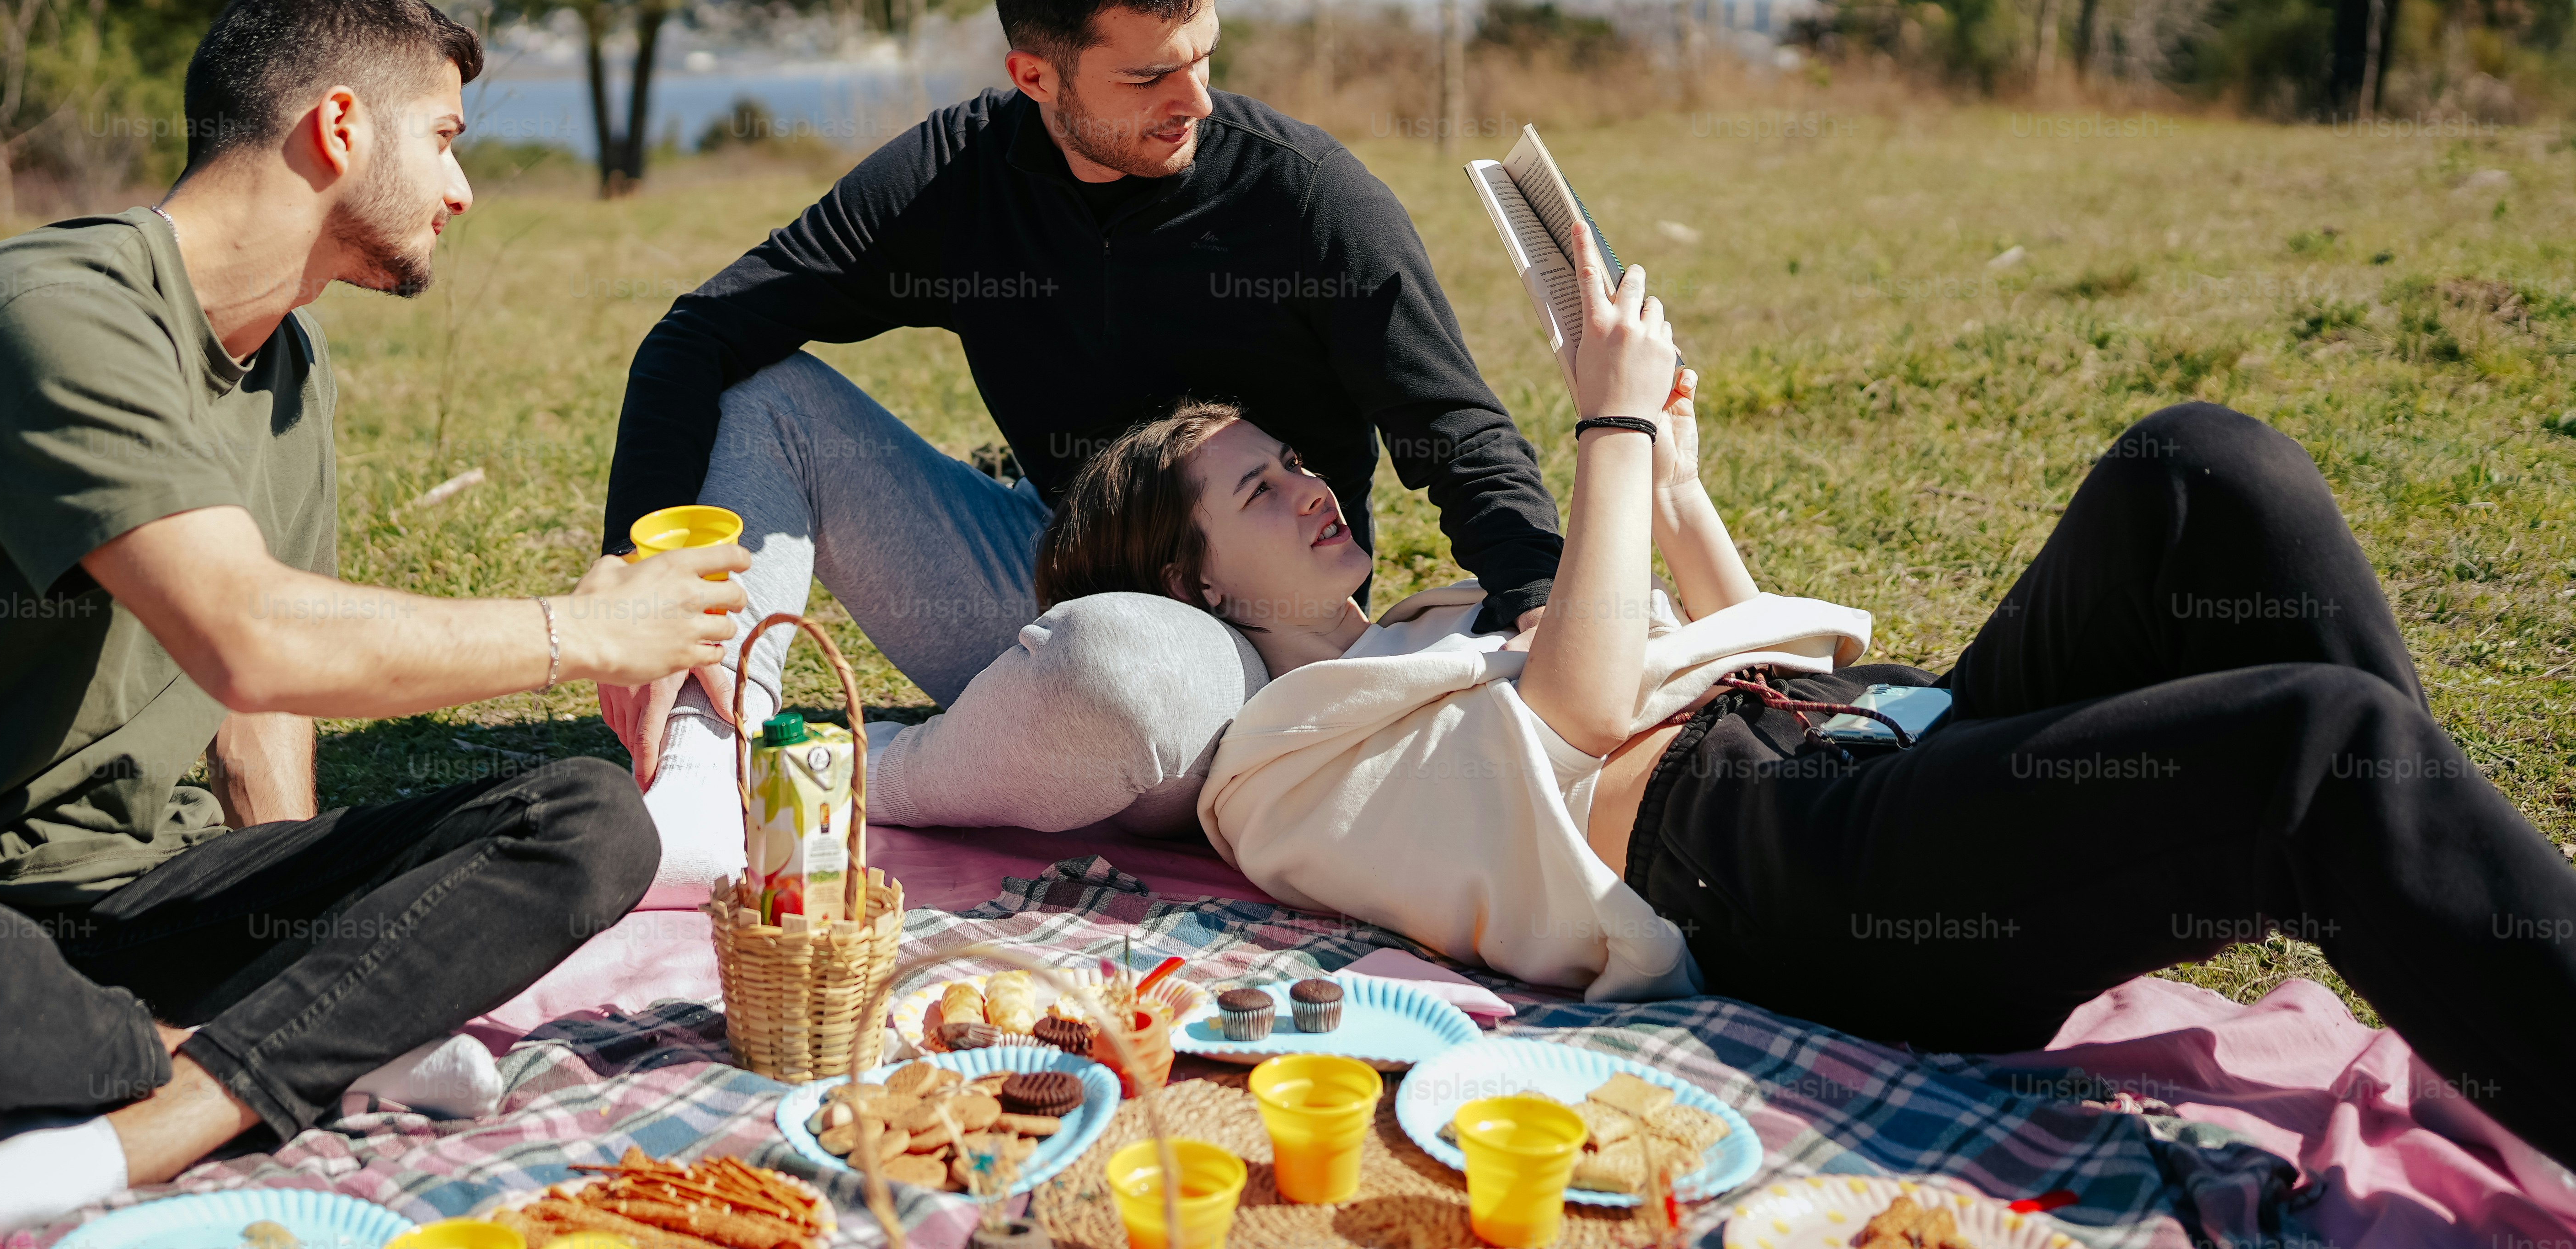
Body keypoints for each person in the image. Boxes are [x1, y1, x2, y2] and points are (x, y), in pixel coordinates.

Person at [947, 219, 2576, 1167]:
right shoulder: (1269, 768)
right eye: (1256, 490)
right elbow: (1586, 720)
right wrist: (1606, 431)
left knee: (2200, 471)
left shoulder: (1429, 618)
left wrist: (1676, 494)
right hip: (1805, 878)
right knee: (2312, 750)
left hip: (1866, 742)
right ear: (1191, 591)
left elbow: (1750, 663)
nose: (1311, 484)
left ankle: (2482, 958)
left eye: (1291, 458)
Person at [0, 0, 744, 1249]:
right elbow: (250, 639)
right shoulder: (54, 321)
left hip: (144, 900)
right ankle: (250, 1057)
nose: (463, 188)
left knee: (585, 817)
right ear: (339, 127)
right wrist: (579, 632)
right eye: (445, 137)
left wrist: (304, 938)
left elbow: (264, 709)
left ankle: (148, 1125)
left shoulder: (287, 359)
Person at [600, 0, 1569, 896]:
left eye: (1202, 54)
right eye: (1148, 78)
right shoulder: (958, 181)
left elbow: (1454, 428)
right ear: (1035, 77)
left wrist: (1542, 602)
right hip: (1039, 568)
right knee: (761, 392)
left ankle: (858, 769)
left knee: (1125, 677)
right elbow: (698, 333)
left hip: (1241, 639)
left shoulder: (1308, 199)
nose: (1195, 99)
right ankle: (706, 770)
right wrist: (630, 579)